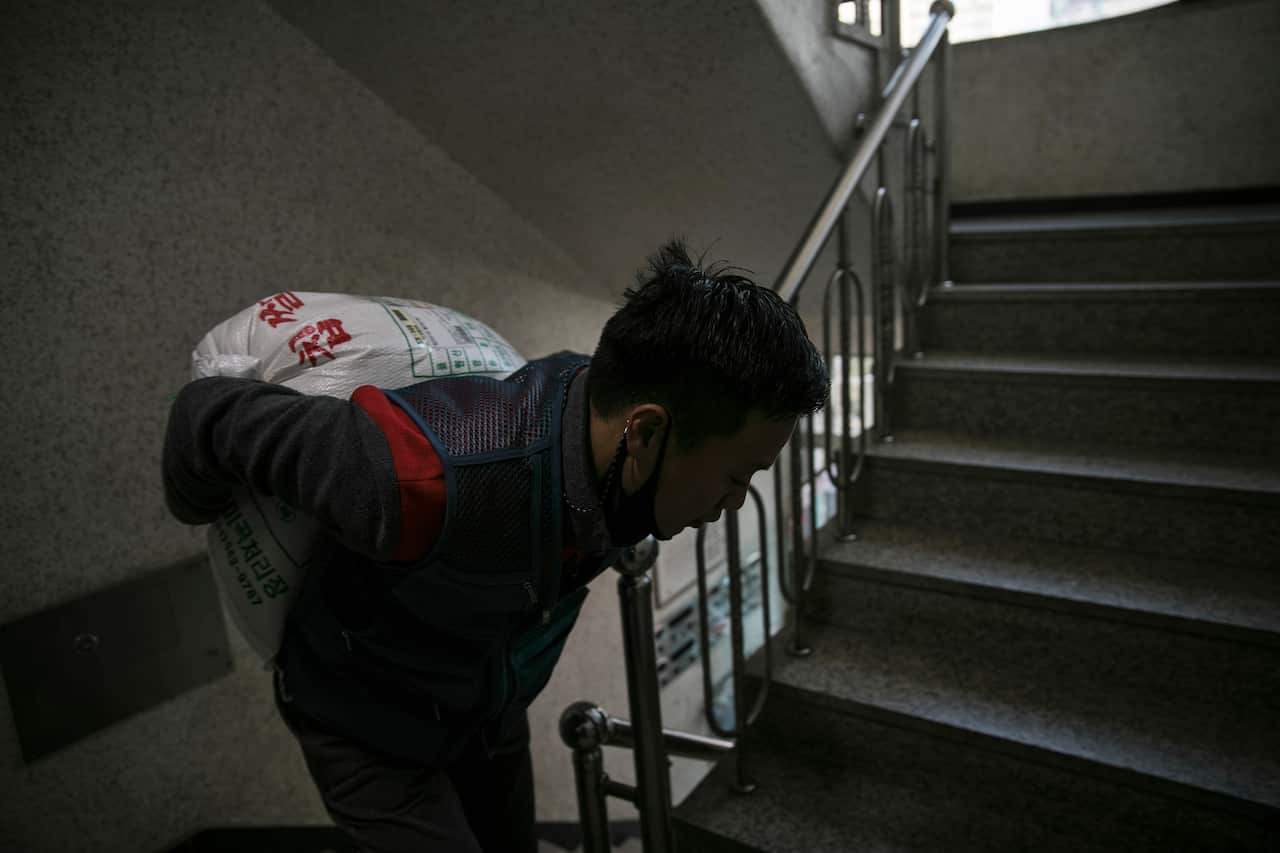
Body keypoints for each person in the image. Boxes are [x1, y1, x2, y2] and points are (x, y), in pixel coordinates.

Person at [162, 239, 829, 852]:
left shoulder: (606, 433)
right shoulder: (424, 476)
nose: (736, 501)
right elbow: (206, 415)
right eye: (738, 476)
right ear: (647, 436)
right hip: (368, 729)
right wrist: (198, 504)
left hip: (486, 713)